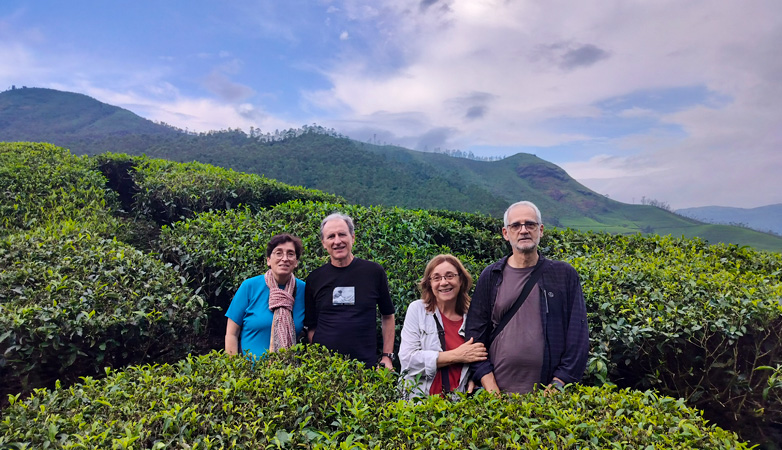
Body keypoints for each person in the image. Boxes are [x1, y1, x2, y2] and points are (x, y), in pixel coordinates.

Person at [465, 201, 589, 394]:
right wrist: (490, 388)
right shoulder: (491, 276)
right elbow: (475, 336)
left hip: (548, 397)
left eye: (530, 224)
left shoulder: (563, 275)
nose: (523, 230)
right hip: (495, 395)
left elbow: (577, 336)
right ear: (506, 233)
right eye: (515, 225)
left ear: (540, 230)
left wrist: (559, 384)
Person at [304, 213, 396, 368]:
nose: (337, 241)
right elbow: (311, 326)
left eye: (342, 234)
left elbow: (387, 315)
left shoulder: (373, 272)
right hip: (324, 369)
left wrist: (387, 356)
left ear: (352, 237)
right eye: (331, 236)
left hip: (365, 366)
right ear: (323, 243)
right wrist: (318, 356)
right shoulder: (315, 278)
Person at [399, 254, 488, 399]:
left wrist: (475, 378)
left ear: (461, 280)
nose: (444, 282)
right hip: (418, 406)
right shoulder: (417, 310)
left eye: (450, 276)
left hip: (460, 408)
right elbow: (408, 360)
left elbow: (481, 355)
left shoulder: (474, 315)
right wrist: (457, 355)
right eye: (436, 278)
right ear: (429, 283)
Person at [225, 233, 306, 359]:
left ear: (296, 262)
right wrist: (233, 369)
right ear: (268, 260)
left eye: (290, 254)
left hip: (289, 374)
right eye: (278, 253)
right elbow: (231, 333)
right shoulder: (249, 287)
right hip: (248, 373)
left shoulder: (303, 290)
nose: (284, 258)